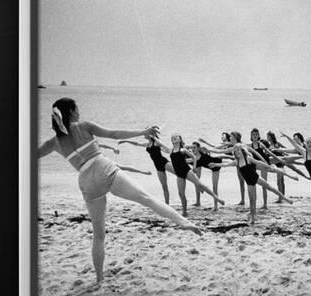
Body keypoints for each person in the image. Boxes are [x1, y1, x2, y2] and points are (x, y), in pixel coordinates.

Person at [38, 98, 201, 282]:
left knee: (98, 235)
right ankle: (183, 222)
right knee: (146, 198)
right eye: (78, 109)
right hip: (103, 169)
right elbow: (114, 134)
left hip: (85, 181)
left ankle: (99, 279)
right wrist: (143, 132)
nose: (80, 112)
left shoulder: (54, 142)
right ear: (72, 112)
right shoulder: (83, 126)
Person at [210, 144, 295, 225]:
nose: (237, 152)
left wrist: (268, 166)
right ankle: (253, 218)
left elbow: (258, 163)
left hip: (256, 177)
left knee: (270, 187)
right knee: (252, 200)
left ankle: (285, 198)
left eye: (238, 150)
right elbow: (225, 165)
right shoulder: (237, 162)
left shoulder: (248, 158)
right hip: (249, 183)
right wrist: (215, 164)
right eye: (235, 151)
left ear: (242, 150)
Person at [153, 134, 225, 216]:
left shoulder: (183, 150)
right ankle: (184, 212)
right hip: (179, 174)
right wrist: (153, 137)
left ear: (180, 140)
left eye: (176, 137)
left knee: (199, 184)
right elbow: (161, 144)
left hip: (187, 171)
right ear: (171, 141)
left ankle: (217, 198)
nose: (174, 138)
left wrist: (194, 167)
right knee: (181, 194)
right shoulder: (171, 150)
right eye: (173, 138)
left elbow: (194, 157)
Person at [117, 136, 173, 203]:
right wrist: (126, 141)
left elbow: (166, 148)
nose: (144, 134)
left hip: (164, 162)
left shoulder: (156, 142)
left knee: (180, 172)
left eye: (146, 133)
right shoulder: (147, 144)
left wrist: (154, 137)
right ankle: (167, 205)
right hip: (158, 166)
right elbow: (137, 143)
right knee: (164, 187)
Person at [190, 141, 232, 210]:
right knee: (196, 182)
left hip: (216, 165)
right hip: (205, 164)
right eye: (192, 148)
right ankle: (198, 202)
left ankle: (216, 206)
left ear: (198, 148)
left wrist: (231, 157)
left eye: (194, 148)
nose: (193, 149)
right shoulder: (194, 158)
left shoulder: (203, 152)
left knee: (214, 187)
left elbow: (219, 155)